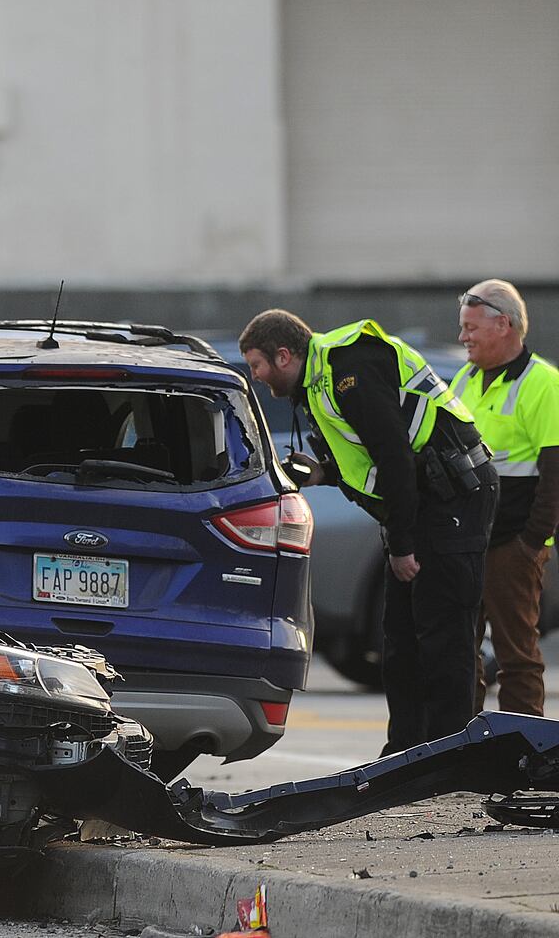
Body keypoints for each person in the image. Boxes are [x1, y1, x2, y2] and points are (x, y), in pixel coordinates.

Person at [238, 310, 496, 754]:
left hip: (453, 495)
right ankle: (405, 752)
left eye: (257, 365)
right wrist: (323, 473)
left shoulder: (346, 369)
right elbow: (369, 461)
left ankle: (452, 755)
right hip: (421, 499)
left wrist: (402, 545)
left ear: (283, 356)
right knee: (399, 640)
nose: (256, 377)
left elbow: (394, 456)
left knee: (443, 636)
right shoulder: (318, 384)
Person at [451, 280, 559, 717]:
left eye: (471, 328)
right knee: (460, 652)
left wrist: (530, 545)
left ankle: (523, 755)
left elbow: (555, 477)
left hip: (513, 545)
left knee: (517, 657)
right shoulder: (463, 379)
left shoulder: (544, 385)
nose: (463, 338)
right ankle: (461, 748)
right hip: (467, 542)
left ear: (504, 324)